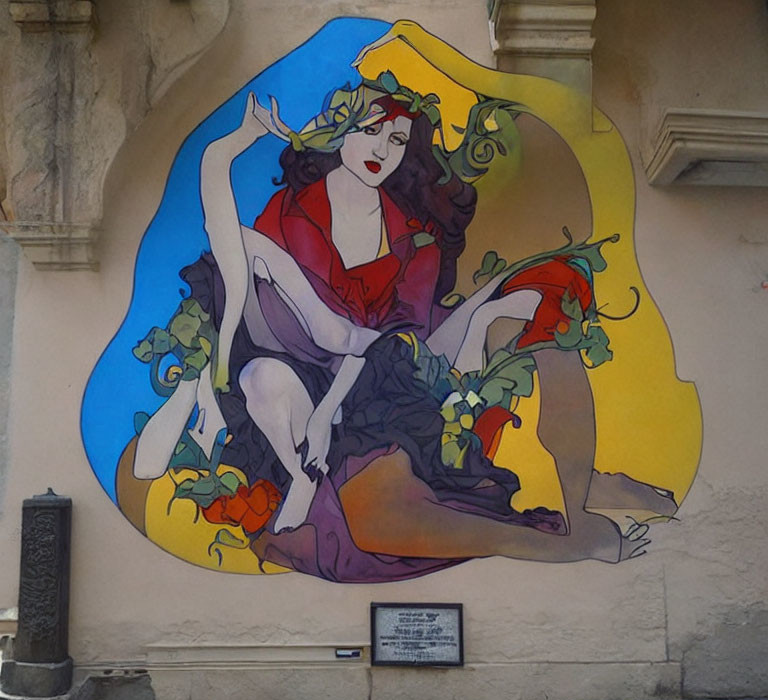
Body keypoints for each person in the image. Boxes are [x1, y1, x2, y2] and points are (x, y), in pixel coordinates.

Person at [133, 74, 655, 582]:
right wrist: (235, 142)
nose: (383, 146)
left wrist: (481, 319)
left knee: (550, 285)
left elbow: (407, 346)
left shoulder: (415, 242)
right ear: (341, 133)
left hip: (380, 376)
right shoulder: (288, 215)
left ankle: (578, 495)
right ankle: (556, 545)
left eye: (398, 138)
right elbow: (229, 243)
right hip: (299, 380)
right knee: (375, 513)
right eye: (372, 128)